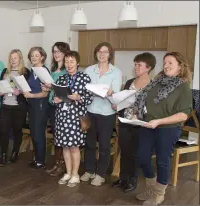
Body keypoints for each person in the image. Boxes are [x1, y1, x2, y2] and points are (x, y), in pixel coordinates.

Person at [133, 52, 192, 205]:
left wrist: (159, 121)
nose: (166, 66)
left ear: (180, 66)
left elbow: (183, 115)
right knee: (143, 156)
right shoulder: (156, 82)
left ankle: (159, 193)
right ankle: (151, 188)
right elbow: (143, 101)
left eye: (170, 63)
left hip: (168, 128)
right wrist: (136, 114)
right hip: (148, 124)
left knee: (162, 160)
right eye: (165, 62)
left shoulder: (183, 87)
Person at [112, 52, 155, 192]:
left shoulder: (153, 86)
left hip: (141, 123)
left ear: (148, 67)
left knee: (135, 153)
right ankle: (123, 178)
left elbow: (153, 107)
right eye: (135, 64)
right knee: (124, 150)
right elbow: (123, 100)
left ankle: (132, 180)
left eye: (139, 65)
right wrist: (117, 104)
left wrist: (140, 115)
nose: (136, 67)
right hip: (125, 120)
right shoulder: (130, 82)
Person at [81, 42, 122, 186]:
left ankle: (101, 174)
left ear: (110, 55)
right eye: (99, 51)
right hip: (91, 110)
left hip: (107, 112)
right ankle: (89, 170)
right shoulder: (89, 70)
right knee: (90, 143)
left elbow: (116, 95)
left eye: (105, 52)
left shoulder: (116, 72)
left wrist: (110, 92)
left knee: (104, 145)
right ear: (96, 54)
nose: (102, 54)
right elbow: (84, 89)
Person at [53, 51, 92, 187]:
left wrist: (79, 97)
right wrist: (56, 100)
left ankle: (75, 174)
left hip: (76, 118)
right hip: (62, 117)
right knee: (65, 147)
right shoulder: (61, 79)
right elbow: (54, 97)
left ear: (77, 63)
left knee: (74, 147)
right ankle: (68, 172)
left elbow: (89, 98)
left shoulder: (84, 78)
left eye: (72, 61)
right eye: (67, 62)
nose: (69, 64)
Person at [0, 49, 29, 166]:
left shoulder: (25, 72)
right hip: (6, 105)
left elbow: (28, 88)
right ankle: (3, 155)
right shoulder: (5, 71)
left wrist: (20, 91)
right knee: (3, 131)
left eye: (15, 58)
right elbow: (1, 85)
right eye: (11, 58)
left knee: (17, 131)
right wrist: (0, 91)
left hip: (18, 107)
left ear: (20, 59)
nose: (13, 60)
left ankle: (15, 152)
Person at [46, 42, 70, 176]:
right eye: (54, 51)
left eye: (59, 51)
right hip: (51, 105)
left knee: (61, 137)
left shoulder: (67, 71)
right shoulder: (53, 69)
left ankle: (61, 165)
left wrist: (52, 87)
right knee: (56, 136)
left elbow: (66, 92)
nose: (56, 54)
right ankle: (57, 163)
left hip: (62, 107)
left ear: (66, 53)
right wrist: (47, 88)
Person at [25, 47, 50, 169]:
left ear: (42, 57)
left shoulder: (44, 71)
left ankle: (40, 161)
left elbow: (45, 93)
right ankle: (36, 158)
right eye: (32, 56)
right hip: (32, 105)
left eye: (36, 55)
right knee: (34, 133)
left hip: (40, 105)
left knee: (39, 133)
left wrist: (31, 95)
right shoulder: (32, 70)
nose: (34, 58)